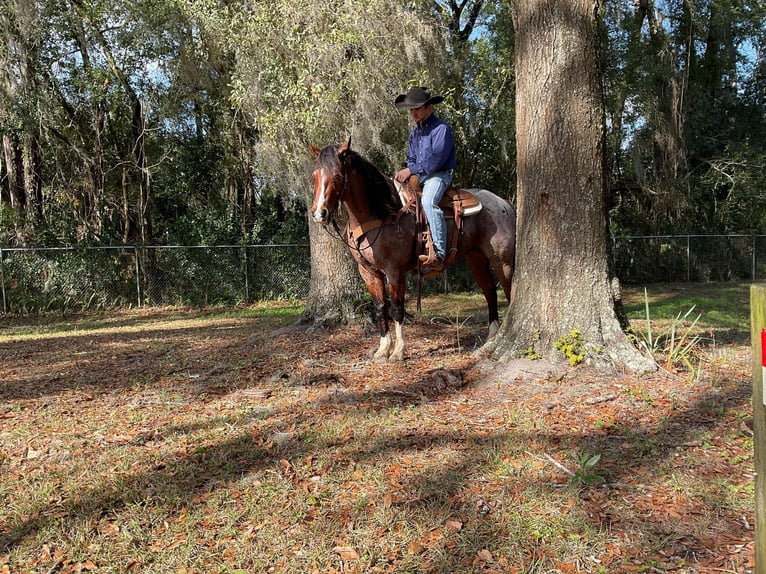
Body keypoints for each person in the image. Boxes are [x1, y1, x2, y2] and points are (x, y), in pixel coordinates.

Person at [394, 86, 456, 270]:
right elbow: (412, 158)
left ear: (429, 107)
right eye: (411, 109)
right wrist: (405, 170)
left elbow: (435, 161)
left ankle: (439, 253)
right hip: (419, 177)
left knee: (429, 202)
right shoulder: (415, 133)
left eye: (418, 108)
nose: (414, 112)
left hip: (439, 175)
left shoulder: (441, 130)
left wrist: (411, 169)